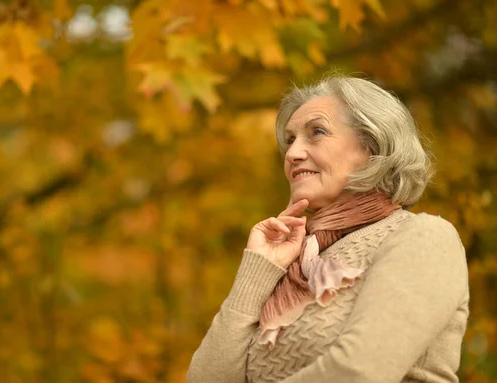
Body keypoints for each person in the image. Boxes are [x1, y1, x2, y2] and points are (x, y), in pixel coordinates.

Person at [186, 75, 469, 383]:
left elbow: (358, 372)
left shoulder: (422, 238)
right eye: (291, 140)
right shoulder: (296, 262)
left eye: (316, 132)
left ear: (372, 146)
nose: (292, 153)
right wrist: (257, 272)